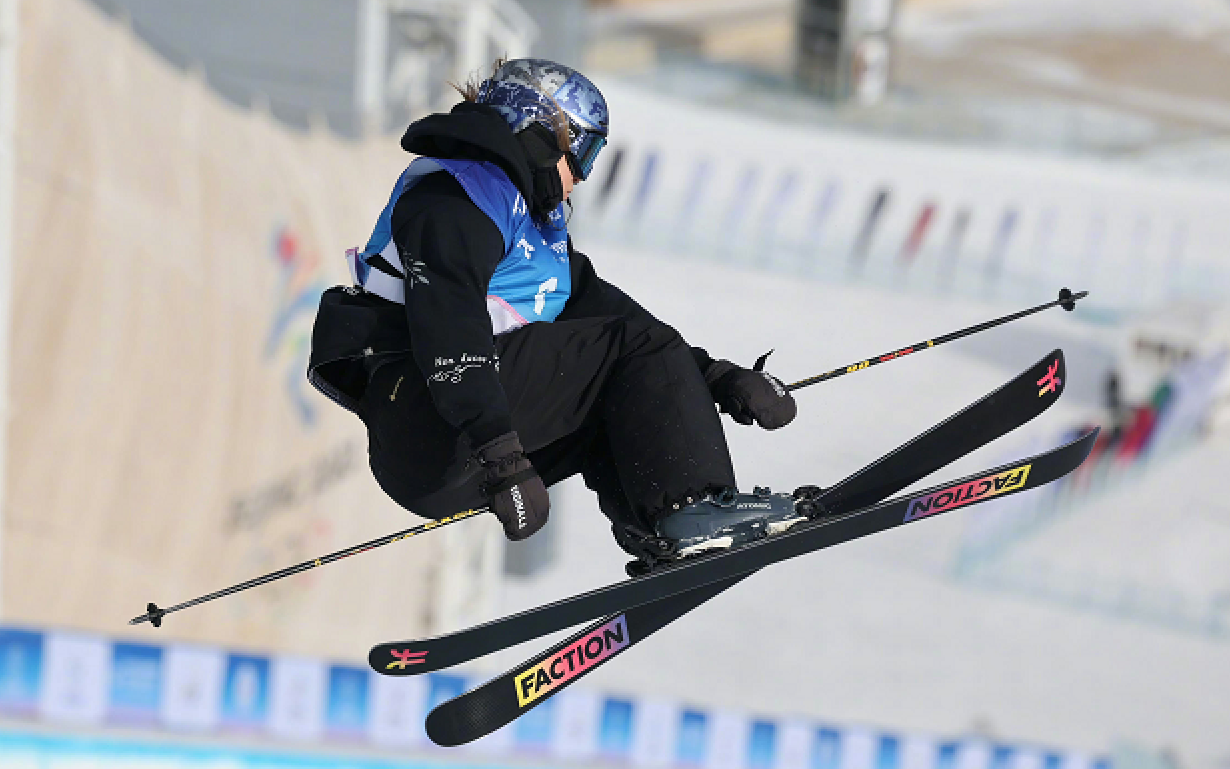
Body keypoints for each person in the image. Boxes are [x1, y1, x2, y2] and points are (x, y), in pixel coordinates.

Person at [308, 59, 802, 572]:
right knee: (623, 348)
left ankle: (660, 526)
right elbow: (449, 327)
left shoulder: (536, 232)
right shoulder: (456, 197)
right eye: (582, 151)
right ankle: (694, 508)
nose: (583, 175)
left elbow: (629, 329)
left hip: (466, 440)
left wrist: (716, 379)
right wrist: (501, 457)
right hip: (430, 421)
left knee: (617, 380)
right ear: (540, 135)